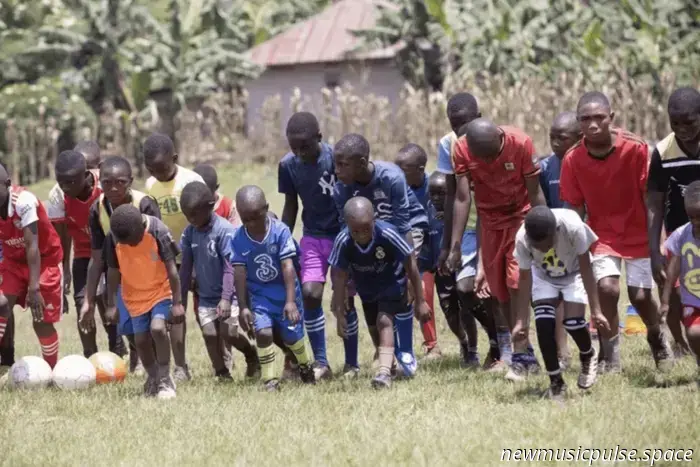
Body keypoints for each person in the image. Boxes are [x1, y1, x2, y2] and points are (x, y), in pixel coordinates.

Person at [560, 91, 672, 373]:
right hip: (602, 236)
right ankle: (610, 354)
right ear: (578, 122)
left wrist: (656, 242)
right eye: (586, 119)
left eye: (599, 118)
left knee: (640, 296)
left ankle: (657, 337)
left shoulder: (635, 149)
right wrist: (572, 247)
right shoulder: (572, 159)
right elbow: (573, 207)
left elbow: (651, 199)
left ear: (611, 118)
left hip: (639, 232)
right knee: (607, 289)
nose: (593, 125)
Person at [448, 118, 544, 379]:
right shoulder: (461, 149)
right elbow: (462, 196)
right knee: (499, 293)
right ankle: (525, 353)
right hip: (489, 223)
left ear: (500, 141)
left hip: (520, 219)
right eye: (482, 158)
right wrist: (455, 245)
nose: (488, 163)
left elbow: (535, 194)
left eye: (491, 156)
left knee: (515, 283)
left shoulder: (520, 143)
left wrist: (543, 232)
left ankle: (521, 353)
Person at [333, 133, 429, 367]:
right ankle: (384, 352)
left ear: (363, 163)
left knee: (402, 290)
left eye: (343, 165)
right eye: (335, 164)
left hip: (404, 230)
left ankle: (405, 350)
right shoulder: (341, 189)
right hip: (370, 238)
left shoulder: (391, 178)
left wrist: (408, 274)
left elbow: (404, 226)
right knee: (368, 292)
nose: (337, 171)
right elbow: (346, 232)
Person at [278, 112, 359, 380]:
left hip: (342, 235)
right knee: (311, 293)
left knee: (345, 299)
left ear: (319, 139)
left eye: (306, 146)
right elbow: (291, 205)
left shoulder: (336, 160)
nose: (300, 153)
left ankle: (351, 364)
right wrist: (282, 239)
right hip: (312, 237)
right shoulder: (288, 165)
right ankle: (321, 362)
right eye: (294, 147)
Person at [329, 197, 430, 388]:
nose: (361, 235)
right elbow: (340, 277)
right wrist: (340, 312)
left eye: (366, 229)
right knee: (374, 327)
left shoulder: (387, 233)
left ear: (374, 220)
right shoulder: (343, 241)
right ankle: (390, 363)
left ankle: (384, 374)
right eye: (355, 231)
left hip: (392, 284)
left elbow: (410, 263)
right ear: (347, 225)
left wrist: (421, 300)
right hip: (367, 291)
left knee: (384, 320)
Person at [436, 93, 505, 371]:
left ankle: (508, 347)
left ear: (478, 118)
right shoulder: (447, 145)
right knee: (465, 289)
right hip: (468, 228)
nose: (460, 131)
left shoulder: (493, 138)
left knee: (495, 290)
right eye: (454, 125)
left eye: (464, 124)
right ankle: (496, 339)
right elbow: (454, 196)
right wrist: (448, 245)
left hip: (496, 222)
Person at [513, 206, 610, 399]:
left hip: (574, 274)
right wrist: (521, 321)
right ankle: (556, 383)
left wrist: (596, 310)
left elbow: (586, 269)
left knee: (573, 322)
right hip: (544, 276)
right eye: (536, 244)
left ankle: (588, 353)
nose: (540, 248)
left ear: (555, 231)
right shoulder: (522, 238)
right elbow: (524, 279)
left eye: (544, 243)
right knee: (543, 324)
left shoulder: (573, 226)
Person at [80, 156, 160, 374]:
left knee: (150, 324)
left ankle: (151, 364)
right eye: (107, 183)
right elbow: (97, 259)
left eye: (120, 182)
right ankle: (137, 353)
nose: (113, 188)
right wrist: (88, 300)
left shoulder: (145, 204)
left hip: (149, 275)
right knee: (128, 327)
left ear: (131, 181)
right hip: (119, 275)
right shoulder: (97, 210)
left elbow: (157, 246)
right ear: (99, 183)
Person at [231, 185, 315, 391]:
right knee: (264, 333)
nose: (251, 224)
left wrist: (290, 301)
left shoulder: (280, 231)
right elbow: (240, 274)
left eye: (255, 217)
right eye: (245, 219)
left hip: (286, 293)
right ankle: (269, 380)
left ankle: (304, 365)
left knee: (292, 337)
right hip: (260, 296)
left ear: (266, 208)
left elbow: (288, 266)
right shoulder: (238, 238)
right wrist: (243, 306)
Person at [46, 149, 125, 358]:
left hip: (110, 251)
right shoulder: (57, 196)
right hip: (82, 253)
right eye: (61, 182)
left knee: (109, 300)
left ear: (86, 175)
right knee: (83, 302)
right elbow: (61, 238)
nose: (65, 187)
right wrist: (65, 271)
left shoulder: (105, 186)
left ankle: (117, 350)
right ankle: (90, 355)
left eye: (71, 182)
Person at [178, 181, 260, 380]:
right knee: (209, 334)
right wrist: (179, 300)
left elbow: (230, 266)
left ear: (209, 206)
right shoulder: (190, 233)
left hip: (227, 295)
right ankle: (222, 373)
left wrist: (225, 298)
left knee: (229, 333)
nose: (191, 219)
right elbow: (185, 267)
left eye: (194, 214)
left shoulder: (224, 230)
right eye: (187, 215)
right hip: (205, 296)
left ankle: (251, 355)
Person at [104, 205, 183, 399]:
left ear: (141, 225)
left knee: (157, 329)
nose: (130, 245)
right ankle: (153, 376)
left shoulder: (159, 231)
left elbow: (172, 270)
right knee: (140, 340)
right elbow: (113, 271)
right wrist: (112, 304)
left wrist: (177, 303)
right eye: (126, 242)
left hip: (160, 291)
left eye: (133, 240)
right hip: (134, 296)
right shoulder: (115, 237)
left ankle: (165, 378)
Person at [143, 133, 204, 382]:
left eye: (162, 167)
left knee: (207, 311)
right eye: (152, 169)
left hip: (196, 253)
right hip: (167, 257)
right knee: (175, 311)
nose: (157, 173)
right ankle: (180, 367)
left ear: (175, 158)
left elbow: (205, 221)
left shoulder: (192, 180)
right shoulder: (149, 186)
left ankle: (223, 356)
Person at [647, 87, 700, 358]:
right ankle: (680, 345)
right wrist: (655, 251)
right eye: (675, 123)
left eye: (689, 122)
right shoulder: (663, 152)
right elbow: (654, 204)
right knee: (672, 289)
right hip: (678, 235)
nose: (682, 129)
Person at [0, 163, 63, 368]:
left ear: (7, 184)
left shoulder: (24, 201)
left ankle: (51, 369)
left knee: (41, 321)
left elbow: (32, 244)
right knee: (1, 305)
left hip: (43, 262)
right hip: (13, 263)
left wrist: (34, 287)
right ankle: (5, 362)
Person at [538, 111, 583, 369]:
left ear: (578, 138)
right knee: (556, 296)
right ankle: (562, 351)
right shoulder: (545, 167)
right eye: (551, 137)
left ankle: (594, 345)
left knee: (580, 295)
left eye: (561, 138)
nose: (555, 143)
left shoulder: (585, 161)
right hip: (555, 240)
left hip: (582, 237)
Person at [424, 171, 480, 367]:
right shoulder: (426, 213)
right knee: (450, 312)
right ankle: (463, 340)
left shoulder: (459, 214)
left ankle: (472, 350)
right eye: (433, 194)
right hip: (441, 271)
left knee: (466, 308)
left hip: (460, 264)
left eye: (442, 193)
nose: (437, 198)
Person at [394, 143, 442, 360]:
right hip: (417, 257)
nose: (398, 175)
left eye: (403, 171)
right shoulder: (396, 190)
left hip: (439, 249)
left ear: (421, 170)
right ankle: (432, 346)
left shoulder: (436, 186)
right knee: (424, 295)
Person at [193, 163, 239, 371]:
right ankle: (220, 364)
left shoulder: (228, 206)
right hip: (203, 274)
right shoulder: (191, 207)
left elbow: (235, 239)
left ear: (216, 188)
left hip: (225, 271)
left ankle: (230, 354)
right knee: (207, 323)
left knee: (226, 323)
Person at [661, 181, 700, 386]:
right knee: (693, 333)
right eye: (691, 217)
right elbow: (673, 269)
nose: (696, 222)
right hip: (693, 298)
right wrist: (666, 300)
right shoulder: (681, 235)